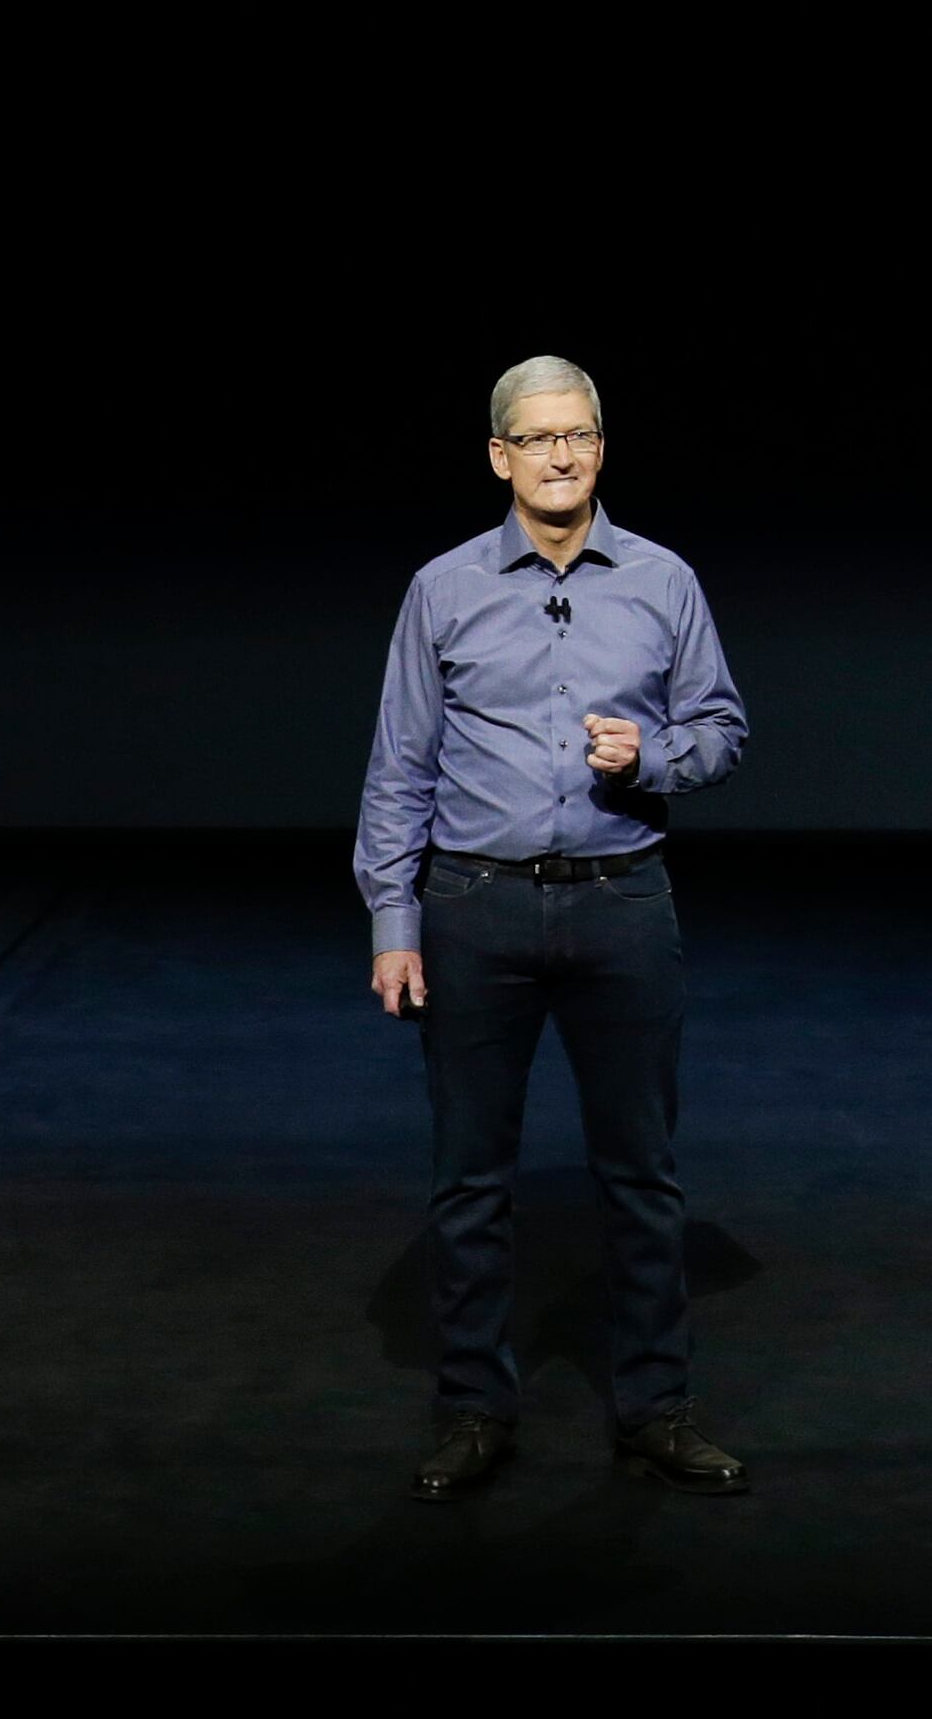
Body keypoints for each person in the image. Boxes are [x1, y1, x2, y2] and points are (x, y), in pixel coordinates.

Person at [354, 353, 751, 1498]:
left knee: (643, 1174)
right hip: (473, 906)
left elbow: (724, 728)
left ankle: (655, 1408)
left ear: (601, 446)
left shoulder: (664, 581)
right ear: (500, 457)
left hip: (624, 902)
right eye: (538, 438)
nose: (562, 455)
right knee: (470, 1179)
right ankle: (475, 1408)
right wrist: (394, 917)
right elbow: (400, 766)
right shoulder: (443, 587)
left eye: (579, 434)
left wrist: (658, 755)